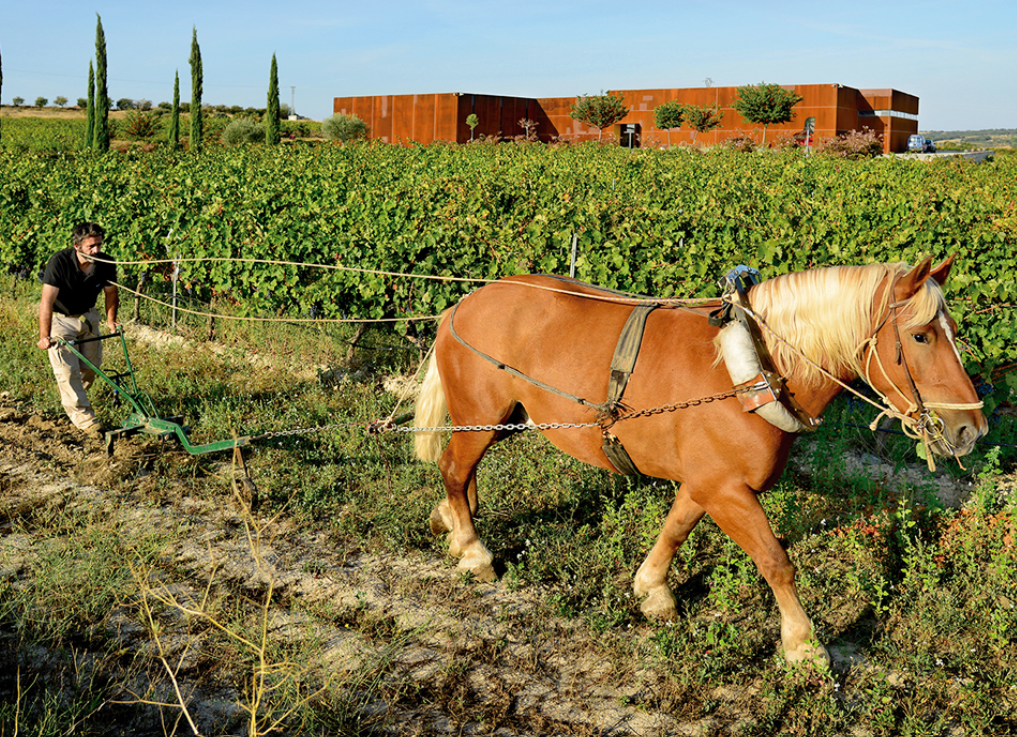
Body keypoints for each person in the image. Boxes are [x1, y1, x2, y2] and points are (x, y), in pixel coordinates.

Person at [37, 222, 119, 434]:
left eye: (99, 245)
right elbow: (46, 301)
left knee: (90, 369)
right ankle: (86, 420)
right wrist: (44, 336)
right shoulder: (59, 262)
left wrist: (111, 321)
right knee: (67, 371)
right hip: (61, 320)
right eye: (91, 246)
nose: (97, 250)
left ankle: (70, 398)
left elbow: (111, 293)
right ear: (77, 246)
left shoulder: (106, 263)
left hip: (89, 317)